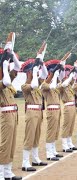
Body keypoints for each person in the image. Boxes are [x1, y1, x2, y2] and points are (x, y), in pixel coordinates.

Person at [21, 45, 49, 171]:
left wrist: (41, 62)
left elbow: (46, 74)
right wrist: (34, 71)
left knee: (37, 135)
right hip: (31, 112)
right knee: (30, 136)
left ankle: (35, 158)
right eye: (33, 73)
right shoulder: (25, 86)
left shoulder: (37, 84)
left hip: (38, 111)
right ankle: (25, 162)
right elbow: (33, 84)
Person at [0, 32, 22, 180]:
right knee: (5, 144)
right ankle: (1, 173)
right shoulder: (3, 81)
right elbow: (6, 81)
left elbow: (18, 67)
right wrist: (4, 64)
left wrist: (11, 53)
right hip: (5, 115)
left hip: (13, 114)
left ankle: (8, 172)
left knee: (12, 144)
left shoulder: (7, 77)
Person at [41, 59, 66, 161]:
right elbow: (49, 86)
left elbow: (62, 81)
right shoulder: (45, 85)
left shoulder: (54, 85)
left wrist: (61, 66)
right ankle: (49, 154)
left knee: (55, 131)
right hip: (51, 110)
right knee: (51, 131)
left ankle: (53, 150)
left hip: (57, 110)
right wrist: (54, 75)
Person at [58, 61, 77, 152]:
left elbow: (74, 79)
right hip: (67, 106)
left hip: (73, 106)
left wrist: (76, 68)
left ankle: (69, 142)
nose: (67, 73)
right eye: (66, 71)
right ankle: (64, 145)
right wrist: (70, 76)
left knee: (71, 125)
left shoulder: (70, 84)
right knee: (66, 125)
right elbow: (64, 84)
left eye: (68, 71)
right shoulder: (61, 84)